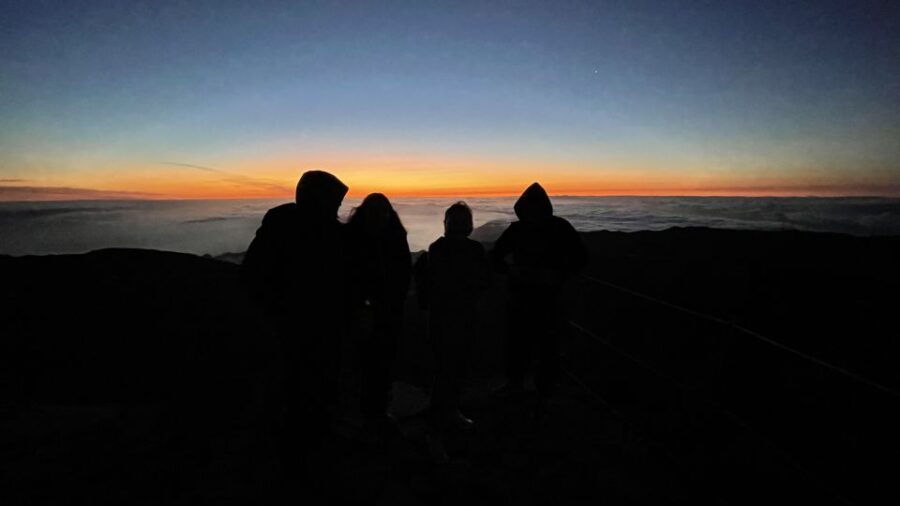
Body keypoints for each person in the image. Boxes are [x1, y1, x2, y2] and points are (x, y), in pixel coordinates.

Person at [241, 170, 349, 481]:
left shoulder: (285, 223)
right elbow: (258, 274)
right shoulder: (304, 228)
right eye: (334, 201)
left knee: (303, 387)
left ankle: (296, 451)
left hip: (304, 323)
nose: (337, 208)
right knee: (299, 388)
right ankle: (297, 458)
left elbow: (253, 273)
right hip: (300, 325)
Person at [490, 183, 587, 413]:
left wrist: (556, 274)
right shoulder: (527, 229)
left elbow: (580, 258)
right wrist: (513, 271)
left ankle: (540, 391)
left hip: (544, 298)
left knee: (544, 346)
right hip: (528, 297)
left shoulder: (554, 228)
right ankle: (524, 387)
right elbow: (495, 256)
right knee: (521, 344)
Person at [414, 202, 490, 463]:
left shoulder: (437, 249)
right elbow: (482, 282)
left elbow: (426, 287)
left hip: (446, 319)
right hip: (456, 319)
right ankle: (436, 430)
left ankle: (448, 415)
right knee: (450, 372)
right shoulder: (468, 250)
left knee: (450, 371)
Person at [345, 193, 411, 431]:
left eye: (383, 211)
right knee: (366, 362)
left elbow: (403, 273)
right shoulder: (355, 239)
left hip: (386, 311)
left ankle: (376, 410)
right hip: (365, 312)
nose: (380, 216)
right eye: (376, 211)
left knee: (381, 362)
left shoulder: (391, 238)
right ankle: (369, 412)